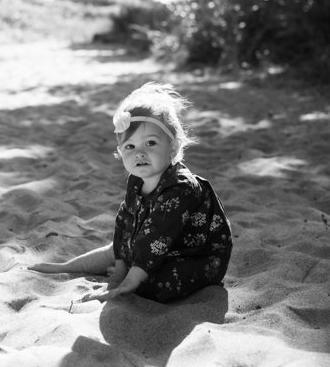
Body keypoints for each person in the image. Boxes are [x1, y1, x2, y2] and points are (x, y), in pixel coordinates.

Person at [30, 82, 232, 303]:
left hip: (194, 257)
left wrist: (126, 281)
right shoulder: (137, 180)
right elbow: (125, 223)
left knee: (152, 284)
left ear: (173, 147)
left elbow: (158, 236)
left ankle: (133, 276)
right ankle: (66, 266)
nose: (140, 153)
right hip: (154, 246)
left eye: (151, 143)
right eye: (130, 147)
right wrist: (119, 269)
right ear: (120, 152)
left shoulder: (180, 188)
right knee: (118, 250)